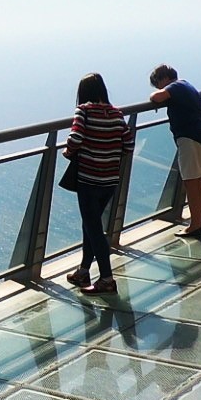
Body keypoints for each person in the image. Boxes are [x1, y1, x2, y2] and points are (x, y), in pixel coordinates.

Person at [62, 73, 134, 295]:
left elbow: (75, 138)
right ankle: (84, 271)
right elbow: (129, 144)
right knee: (90, 224)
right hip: (110, 180)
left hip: (89, 179)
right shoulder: (116, 113)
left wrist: (68, 151)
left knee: (94, 228)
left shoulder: (84, 110)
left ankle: (107, 279)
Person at [148, 64, 201, 239]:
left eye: (158, 83)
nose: (159, 87)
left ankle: (195, 225)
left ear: (164, 79)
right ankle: (198, 222)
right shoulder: (188, 86)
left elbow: (158, 96)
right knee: (199, 183)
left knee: (191, 183)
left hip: (189, 140)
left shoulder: (175, 87)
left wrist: (154, 95)